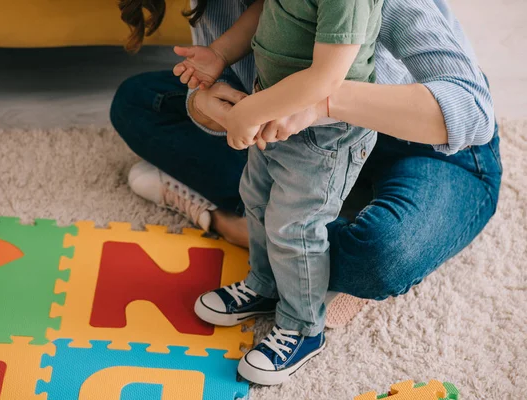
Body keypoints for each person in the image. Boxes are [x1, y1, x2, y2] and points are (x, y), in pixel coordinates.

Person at [110, 0, 502, 382]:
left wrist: (324, 101)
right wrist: (206, 101)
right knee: (138, 103)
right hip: (295, 140)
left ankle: (246, 235)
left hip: (425, 144)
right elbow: (241, 76)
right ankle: (282, 253)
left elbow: (472, 111)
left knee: (378, 255)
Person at [167, 0, 383, 384]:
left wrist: (247, 114)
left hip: (325, 134)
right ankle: (265, 285)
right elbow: (265, 11)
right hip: (274, 113)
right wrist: (218, 53)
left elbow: (327, 78)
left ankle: (303, 328)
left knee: (294, 228)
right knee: (256, 200)